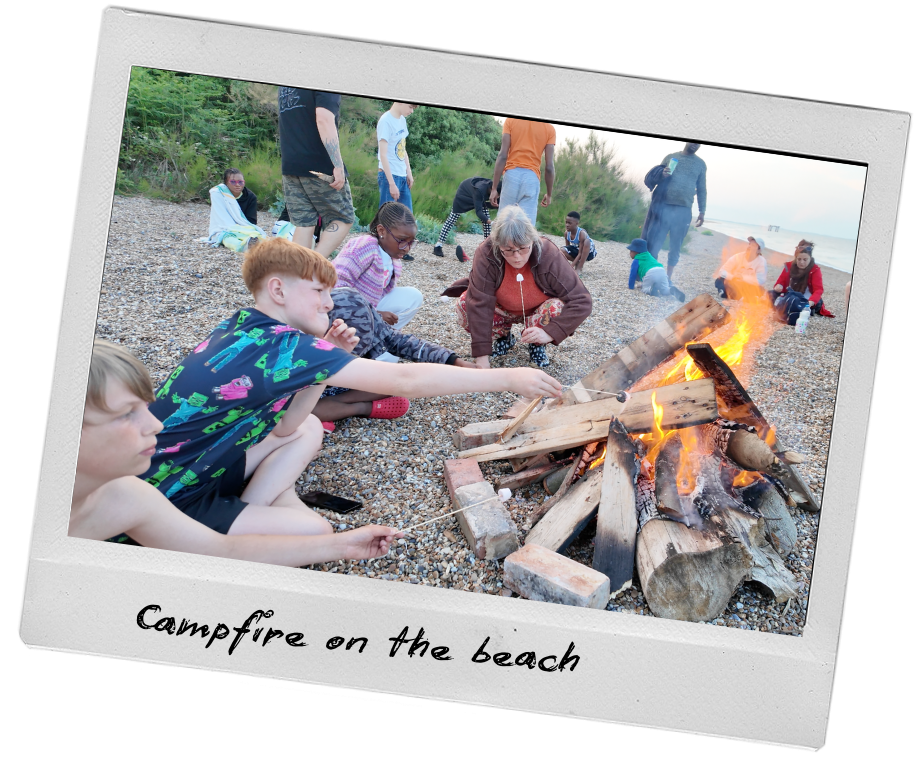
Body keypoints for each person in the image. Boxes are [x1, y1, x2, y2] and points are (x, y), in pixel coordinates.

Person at [138, 237, 561, 537]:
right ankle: (239, 517)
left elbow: (286, 428)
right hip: (173, 494)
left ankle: (253, 504)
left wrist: (322, 367)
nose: (328, 302)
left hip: (180, 463)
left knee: (306, 429)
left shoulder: (240, 325)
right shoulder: (288, 345)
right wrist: (505, 377)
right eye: (320, 291)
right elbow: (404, 378)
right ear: (278, 289)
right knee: (314, 530)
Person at [71, 339, 403, 563]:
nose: (155, 425)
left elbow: (220, 549)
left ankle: (269, 495)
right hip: (191, 493)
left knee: (310, 428)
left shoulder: (126, 494)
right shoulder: (122, 497)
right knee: (312, 522)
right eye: (127, 413)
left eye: (146, 408)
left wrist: (344, 545)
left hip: (200, 478)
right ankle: (275, 492)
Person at [441, 205, 592, 368]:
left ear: (532, 240)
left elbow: (581, 301)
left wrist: (549, 333)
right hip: (501, 308)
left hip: (538, 310)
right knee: (464, 305)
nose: (517, 256)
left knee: (557, 307)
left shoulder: (548, 253)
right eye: (509, 250)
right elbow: (479, 302)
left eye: (523, 248)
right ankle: (503, 337)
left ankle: (537, 344)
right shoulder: (486, 252)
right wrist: (481, 357)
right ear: (498, 245)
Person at [312, 287, 478, 429]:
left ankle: (336, 405)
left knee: (396, 381)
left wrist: (455, 361)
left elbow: (406, 343)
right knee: (305, 409)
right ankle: (361, 408)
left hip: (343, 383)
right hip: (309, 389)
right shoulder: (303, 334)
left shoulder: (365, 315)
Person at [332, 202, 424, 358]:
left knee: (414, 297)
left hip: (368, 308)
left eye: (411, 242)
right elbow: (336, 288)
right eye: (402, 240)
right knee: (388, 362)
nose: (407, 248)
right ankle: (365, 353)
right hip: (342, 312)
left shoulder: (392, 257)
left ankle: (380, 341)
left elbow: (379, 293)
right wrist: (376, 314)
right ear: (381, 231)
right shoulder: (363, 246)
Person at [278, 87, 354, 257]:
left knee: (305, 223)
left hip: (291, 163)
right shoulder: (326, 79)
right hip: (319, 164)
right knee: (343, 218)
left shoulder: (286, 83)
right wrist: (337, 164)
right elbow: (324, 119)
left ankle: (298, 275)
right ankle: (313, 267)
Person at [644, 142, 707, 279]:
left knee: (675, 245)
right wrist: (662, 174)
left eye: (699, 144)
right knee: (655, 242)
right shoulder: (670, 157)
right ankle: (650, 274)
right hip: (663, 207)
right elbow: (656, 176)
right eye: (693, 141)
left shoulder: (700, 164)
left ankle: (668, 278)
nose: (695, 145)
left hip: (683, 210)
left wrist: (702, 211)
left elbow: (702, 189)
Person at [490, 119, 556, 226]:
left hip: (511, 175)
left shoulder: (511, 121)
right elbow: (549, 167)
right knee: (526, 227)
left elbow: (502, 155)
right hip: (531, 178)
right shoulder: (549, 129)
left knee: (503, 223)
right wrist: (549, 194)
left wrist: (494, 188)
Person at [434, 176, 501, 263]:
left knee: (486, 222)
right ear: (493, 189)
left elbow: (498, 205)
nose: (499, 196)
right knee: (452, 219)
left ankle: (487, 250)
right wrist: (492, 222)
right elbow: (479, 212)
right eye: (498, 194)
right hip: (463, 195)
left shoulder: (494, 189)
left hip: (479, 198)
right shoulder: (480, 189)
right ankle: (438, 246)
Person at [205, 169, 267, 253]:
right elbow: (220, 217)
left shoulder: (251, 197)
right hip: (224, 229)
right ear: (226, 183)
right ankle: (242, 246)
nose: (237, 185)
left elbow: (251, 221)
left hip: (244, 228)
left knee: (256, 235)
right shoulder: (218, 193)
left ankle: (261, 245)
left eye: (240, 182)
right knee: (227, 238)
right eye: (233, 182)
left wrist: (239, 229)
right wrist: (232, 228)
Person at [770, 240, 836, 318]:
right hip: (790, 294)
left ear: (810, 258)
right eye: (799, 259)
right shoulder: (789, 266)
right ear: (796, 257)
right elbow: (780, 282)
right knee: (770, 295)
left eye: (805, 260)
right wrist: (778, 286)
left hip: (807, 298)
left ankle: (806, 309)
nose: (802, 262)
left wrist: (811, 302)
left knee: (795, 303)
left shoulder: (815, 270)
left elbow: (818, 290)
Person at [377, 103, 417, 211]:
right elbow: (383, 154)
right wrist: (391, 183)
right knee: (388, 218)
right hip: (389, 176)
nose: (411, 111)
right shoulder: (386, 121)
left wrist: (408, 172)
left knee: (407, 218)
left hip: (402, 175)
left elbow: (402, 148)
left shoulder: (402, 120)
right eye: (410, 107)